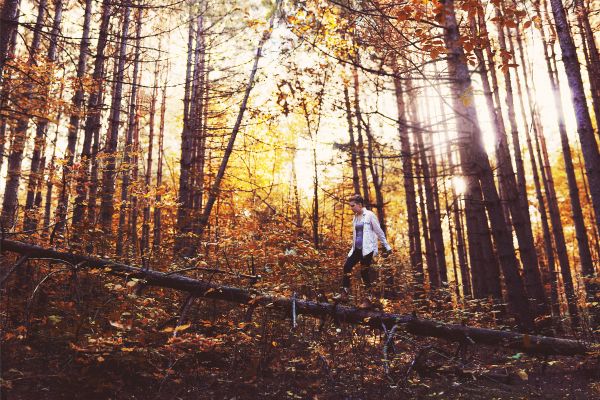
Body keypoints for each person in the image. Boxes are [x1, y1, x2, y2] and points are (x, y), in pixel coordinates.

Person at [336, 194, 392, 307]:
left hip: (367, 249)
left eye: (353, 205)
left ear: (360, 205)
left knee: (364, 273)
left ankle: (368, 299)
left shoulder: (370, 215)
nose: (351, 208)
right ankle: (344, 294)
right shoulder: (355, 217)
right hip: (356, 249)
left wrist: (387, 246)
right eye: (350, 206)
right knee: (347, 266)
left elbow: (379, 231)